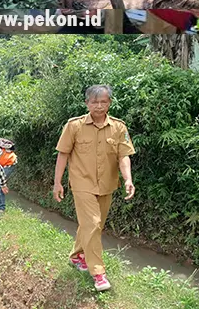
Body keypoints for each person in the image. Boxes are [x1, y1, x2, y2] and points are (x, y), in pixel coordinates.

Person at [52, 85, 136, 292]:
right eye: (95, 102)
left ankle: (76, 255)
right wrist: (57, 182)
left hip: (107, 184)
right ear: (87, 103)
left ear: (110, 103)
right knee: (93, 222)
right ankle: (98, 273)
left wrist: (128, 179)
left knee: (93, 225)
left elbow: (123, 155)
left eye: (104, 102)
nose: (99, 106)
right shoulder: (74, 126)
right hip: (82, 183)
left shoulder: (119, 127)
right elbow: (63, 154)